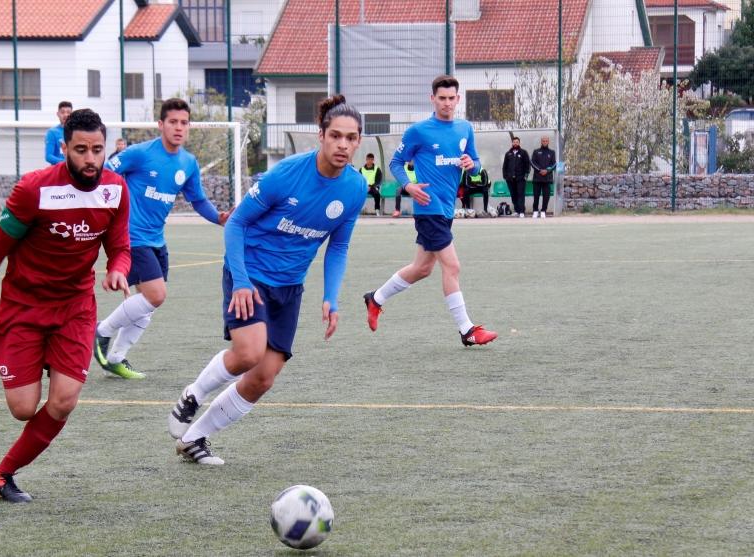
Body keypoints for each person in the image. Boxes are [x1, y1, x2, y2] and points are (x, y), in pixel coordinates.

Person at [166, 95, 366, 465]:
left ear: (358, 143)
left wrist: (331, 298)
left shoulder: (354, 189)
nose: (342, 144)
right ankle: (192, 396)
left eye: (351, 138)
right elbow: (237, 222)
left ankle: (195, 439)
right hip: (250, 272)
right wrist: (241, 280)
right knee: (249, 352)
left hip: (289, 286)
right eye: (335, 135)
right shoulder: (286, 174)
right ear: (320, 135)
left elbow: (338, 246)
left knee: (263, 378)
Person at [0, 109, 131, 503]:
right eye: (81, 150)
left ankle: (2, 474)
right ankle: (41, 358)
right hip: (24, 307)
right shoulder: (34, 190)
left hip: (74, 308)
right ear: (65, 148)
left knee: (64, 400)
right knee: (22, 408)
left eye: (98, 150)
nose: (90, 159)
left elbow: (120, 246)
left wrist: (118, 270)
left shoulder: (116, 190)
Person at [93, 98, 231, 379]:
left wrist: (218, 218)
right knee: (156, 296)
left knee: (148, 303)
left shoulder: (188, 163)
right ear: (161, 125)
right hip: (132, 237)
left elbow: (198, 200)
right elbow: (104, 174)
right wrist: (110, 214)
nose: (179, 128)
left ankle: (116, 358)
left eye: (184, 123)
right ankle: (101, 332)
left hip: (157, 239)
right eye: (173, 122)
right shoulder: (140, 154)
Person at [364, 75, 497, 348]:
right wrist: (409, 186)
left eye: (451, 98)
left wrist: (470, 164)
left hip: (447, 208)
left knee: (422, 268)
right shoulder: (419, 131)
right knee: (452, 265)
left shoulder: (464, 128)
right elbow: (396, 162)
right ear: (432, 99)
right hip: (428, 206)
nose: (447, 103)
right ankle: (467, 330)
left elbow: (475, 162)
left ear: (458, 99)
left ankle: (375, 298)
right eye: (442, 98)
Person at [502, 136, 531, 217]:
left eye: (517, 142)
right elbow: (505, 166)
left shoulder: (523, 152)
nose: (515, 143)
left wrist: (526, 175)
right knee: (513, 195)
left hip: (521, 178)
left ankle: (522, 211)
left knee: (520, 194)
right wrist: (505, 176)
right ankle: (517, 210)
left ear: (519, 143)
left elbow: (527, 165)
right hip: (510, 179)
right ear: (512, 143)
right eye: (514, 142)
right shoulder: (508, 153)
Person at [531, 136, 556, 218]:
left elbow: (554, 164)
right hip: (537, 178)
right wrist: (540, 170)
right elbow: (532, 163)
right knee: (536, 195)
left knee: (546, 196)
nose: (544, 142)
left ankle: (543, 211)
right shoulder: (536, 151)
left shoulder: (552, 152)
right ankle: (535, 211)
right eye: (543, 141)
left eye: (546, 141)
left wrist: (547, 171)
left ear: (548, 142)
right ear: (541, 142)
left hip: (547, 178)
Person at [44, 101, 74, 165]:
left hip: (75, 172)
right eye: (62, 112)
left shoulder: (77, 131)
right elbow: (48, 156)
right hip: (58, 170)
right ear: (58, 114)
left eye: (68, 112)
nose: (66, 115)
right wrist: (67, 163)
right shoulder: (52, 132)